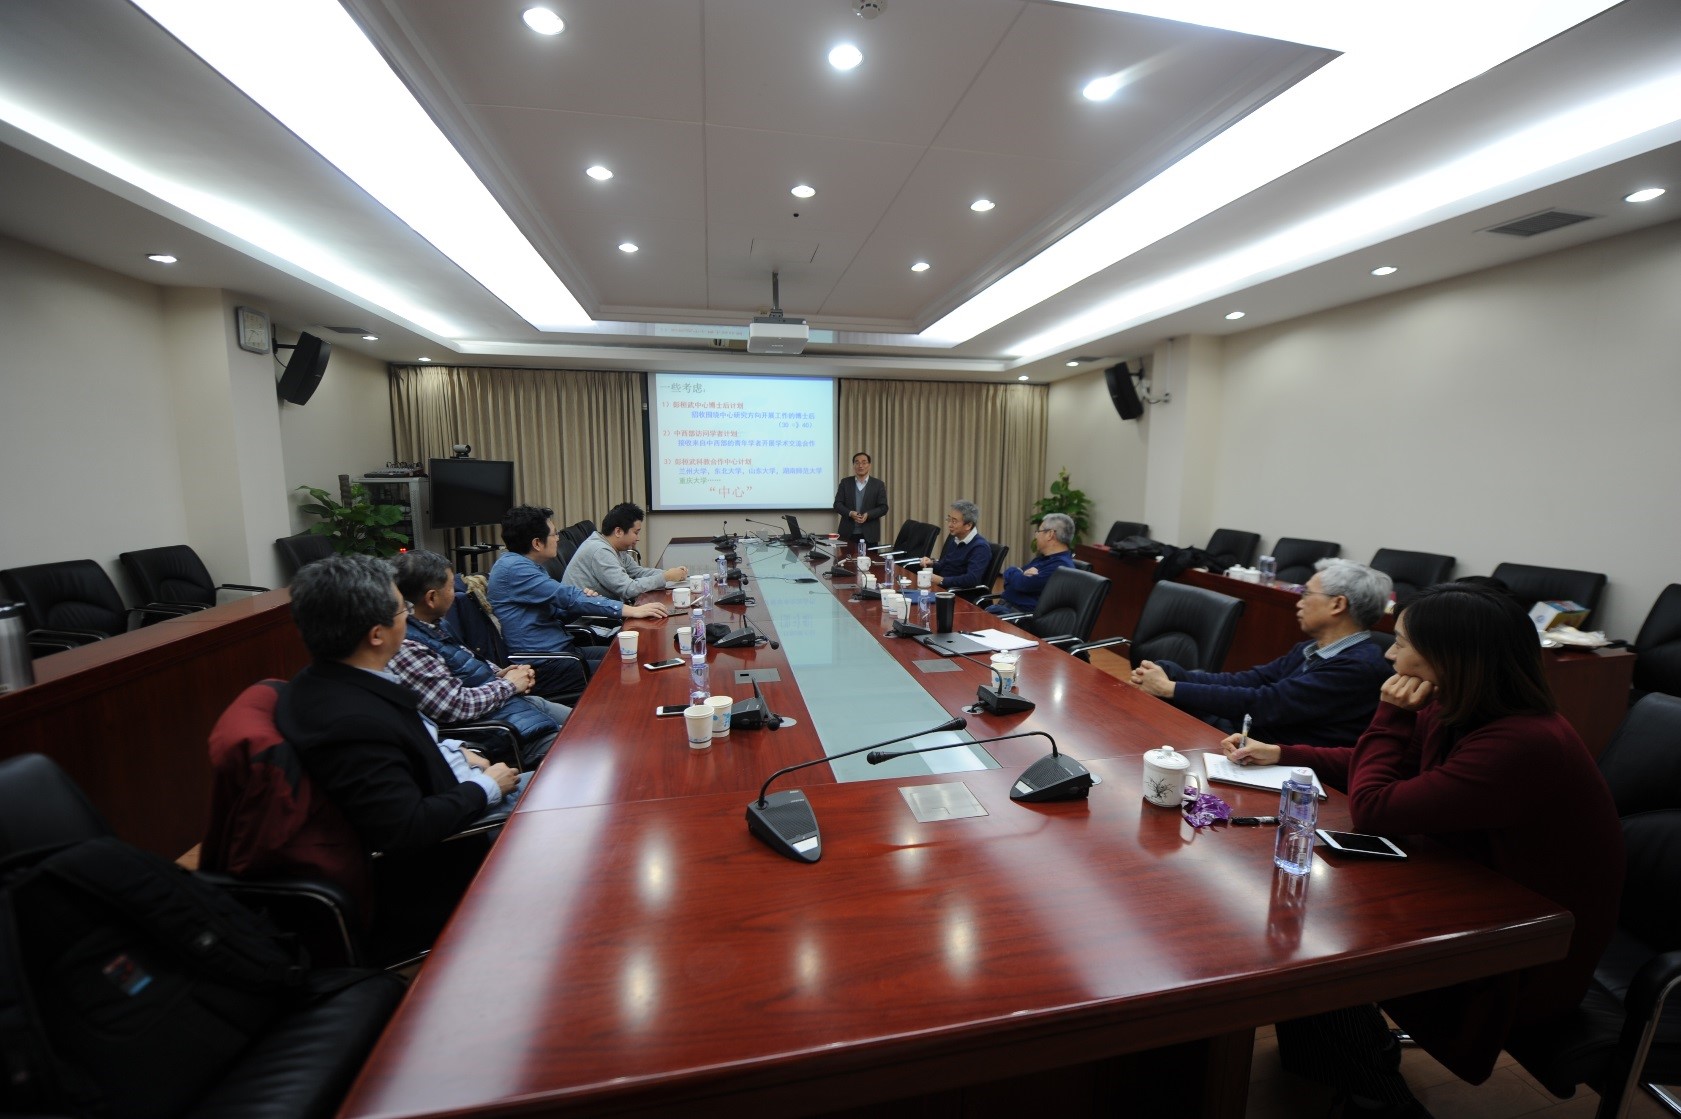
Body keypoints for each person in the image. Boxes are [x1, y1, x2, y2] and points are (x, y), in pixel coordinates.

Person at [1262, 583, 1624, 1118]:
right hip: (1481, 899)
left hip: (1532, 953)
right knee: (1304, 919)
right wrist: (1283, 754)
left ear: (1450, 658)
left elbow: (1374, 807)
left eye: (1401, 643)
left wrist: (1389, 714)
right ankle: (1343, 1056)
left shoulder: (1522, 743)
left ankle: (1381, 1101)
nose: (1389, 655)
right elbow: (1384, 765)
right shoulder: (1459, 707)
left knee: (1314, 947)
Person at [276, 554, 529, 955]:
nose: (409, 617)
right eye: (401, 610)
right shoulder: (352, 721)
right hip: (453, 853)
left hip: (458, 787)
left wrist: (456, 750)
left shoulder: (335, 679)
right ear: (377, 634)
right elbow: (406, 829)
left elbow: (409, 746)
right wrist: (487, 787)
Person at [1130, 560, 1394, 749]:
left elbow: (1264, 704)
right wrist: (1174, 676)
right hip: (1253, 739)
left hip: (1288, 767)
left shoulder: (1358, 667)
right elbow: (1251, 680)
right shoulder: (1312, 648)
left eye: (1306, 594)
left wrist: (1172, 688)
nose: (1299, 601)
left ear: (1337, 604)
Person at [390, 551, 571, 767]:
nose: (455, 592)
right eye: (451, 587)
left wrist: (501, 674)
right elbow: (455, 705)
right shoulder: (409, 647)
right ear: (431, 598)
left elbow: (465, 664)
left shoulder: (435, 624)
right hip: (503, 731)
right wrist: (510, 685)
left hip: (511, 707)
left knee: (594, 723)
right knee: (589, 742)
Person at [488, 504, 668, 696]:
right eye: (554, 534)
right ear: (537, 543)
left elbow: (557, 612)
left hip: (563, 650)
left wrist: (582, 600)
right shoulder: (515, 570)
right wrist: (631, 610)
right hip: (544, 665)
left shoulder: (527, 565)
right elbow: (568, 597)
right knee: (630, 669)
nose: (558, 539)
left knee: (635, 656)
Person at [563, 502, 686, 602]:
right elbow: (627, 589)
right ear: (618, 532)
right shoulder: (600, 551)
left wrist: (670, 574)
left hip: (603, 608)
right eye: (636, 532)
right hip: (587, 618)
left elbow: (638, 572)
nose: (638, 538)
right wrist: (665, 577)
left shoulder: (615, 547)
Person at [988, 513, 1077, 614]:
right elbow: (1009, 582)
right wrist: (1017, 575)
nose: (1036, 536)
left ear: (1050, 534)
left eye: (1038, 531)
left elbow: (1020, 584)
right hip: (1004, 608)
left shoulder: (1060, 567)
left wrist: (1017, 576)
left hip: (1015, 617)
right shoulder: (1043, 558)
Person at [918, 500, 992, 588]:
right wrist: (931, 563)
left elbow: (972, 579)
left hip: (957, 593)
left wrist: (942, 580)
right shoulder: (956, 539)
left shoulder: (980, 547)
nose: (949, 525)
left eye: (954, 521)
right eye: (949, 519)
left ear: (968, 525)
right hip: (942, 588)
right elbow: (945, 565)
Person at [832, 451, 888, 548]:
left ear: (869, 465)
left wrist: (868, 514)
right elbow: (837, 504)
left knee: (869, 558)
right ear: (853, 465)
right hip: (847, 533)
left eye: (864, 462)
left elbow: (883, 507)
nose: (860, 466)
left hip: (870, 534)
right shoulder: (845, 483)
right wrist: (850, 513)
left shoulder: (878, 484)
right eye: (857, 462)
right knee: (846, 558)